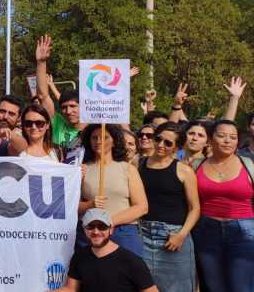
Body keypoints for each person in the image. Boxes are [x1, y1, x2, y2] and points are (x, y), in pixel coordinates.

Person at [190, 120, 254, 292]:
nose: (227, 140)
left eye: (233, 137)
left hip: (243, 232)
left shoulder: (248, 165)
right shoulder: (196, 165)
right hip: (205, 231)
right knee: (212, 286)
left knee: (241, 286)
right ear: (210, 139)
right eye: (221, 135)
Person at [137, 122, 198, 292]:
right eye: (158, 139)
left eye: (168, 143)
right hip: (142, 235)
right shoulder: (138, 164)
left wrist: (181, 235)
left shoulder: (184, 171)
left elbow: (195, 208)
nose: (161, 145)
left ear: (176, 147)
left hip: (173, 237)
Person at [77, 124, 149, 256]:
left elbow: (142, 207)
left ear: (114, 141)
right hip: (90, 234)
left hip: (123, 233)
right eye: (94, 137)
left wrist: (108, 222)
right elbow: (71, 206)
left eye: (104, 137)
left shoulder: (127, 169)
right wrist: (90, 205)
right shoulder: (81, 169)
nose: (98, 141)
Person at [56, 208, 157, 292]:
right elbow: (71, 289)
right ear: (84, 229)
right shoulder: (80, 256)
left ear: (111, 230)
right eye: (90, 227)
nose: (96, 231)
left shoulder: (131, 261)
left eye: (102, 227)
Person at [35, 35, 85, 149]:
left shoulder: (95, 129)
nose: (68, 111)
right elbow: (43, 96)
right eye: (64, 107)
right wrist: (41, 62)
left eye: (73, 106)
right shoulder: (57, 123)